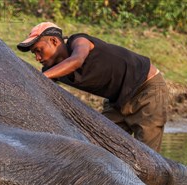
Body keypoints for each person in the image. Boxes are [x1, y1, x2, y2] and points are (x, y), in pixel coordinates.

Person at [17, 22, 169, 152]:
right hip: (117, 101)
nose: (37, 57)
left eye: (39, 50)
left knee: (149, 158)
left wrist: (39, 78)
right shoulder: (52, 70)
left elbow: (77, 60)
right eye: (34, 54)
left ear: (54, 41)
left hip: (146, 90)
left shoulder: (78, 41)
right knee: (99, 148)